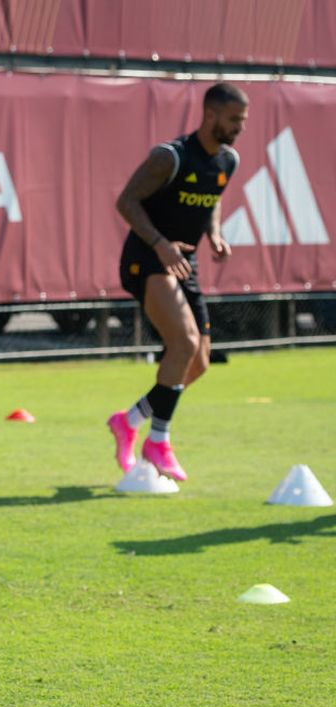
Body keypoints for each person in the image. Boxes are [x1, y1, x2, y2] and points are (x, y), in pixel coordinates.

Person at [108, 82, 248, 481]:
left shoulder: (228, 161)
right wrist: (160, 243)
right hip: (148, 259)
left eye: (243, 120)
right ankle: (158, 441)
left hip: (184, 262)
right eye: (234, 119)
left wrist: (214, 234)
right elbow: (126, 201)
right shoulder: (169, 157)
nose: (240, 127)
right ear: (211, 115)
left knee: (199, 363)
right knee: (183, 344)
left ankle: (128, 420)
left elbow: (214, 197)